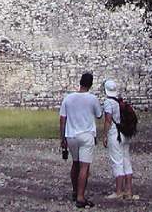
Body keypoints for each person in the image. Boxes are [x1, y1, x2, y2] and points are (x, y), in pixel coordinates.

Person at [59, 72, 103, 208]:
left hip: (71, 135)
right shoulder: (92, 99)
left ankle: (74, 190)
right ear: (90, 84)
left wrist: (62, 137)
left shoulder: (68, 98)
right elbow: (99, 115)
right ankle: (80, 197)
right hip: (86, 135)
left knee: (75, 164)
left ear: (80, 82)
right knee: (84, 167)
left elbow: (62, 118)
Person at [102, 79, 138, 200]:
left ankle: (118, 191)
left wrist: (105, 135)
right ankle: (128, 190)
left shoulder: (108, 102)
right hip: (124, 134)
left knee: (117, 161)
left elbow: (108, 120)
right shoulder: (120, 102)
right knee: (126, 160)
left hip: (115, 134)